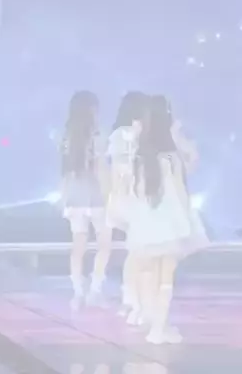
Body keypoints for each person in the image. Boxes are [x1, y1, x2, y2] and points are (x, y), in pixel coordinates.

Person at [126, 95, 208, 344]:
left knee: (151, 274)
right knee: (165, 278)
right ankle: (159, 329)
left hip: (147, 222)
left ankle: (156, 324)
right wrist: (187, 221)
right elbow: (182, 191)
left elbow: (136, 191)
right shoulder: (171, 157)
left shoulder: (140, 156)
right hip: (171, 222)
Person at [60, 91, 112, 310]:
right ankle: (95, 291)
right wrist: (110, 195)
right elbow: (101, 169)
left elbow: (64, 172)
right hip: (96, 196)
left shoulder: (66, 137)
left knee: (78, 245)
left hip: (74, 197)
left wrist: (64, 198)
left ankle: (77, 293)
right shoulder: (97, 136)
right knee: (104, 244)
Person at [106, 91, 149, 319]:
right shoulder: (122, 135)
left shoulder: (138, 133)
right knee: (137, 251)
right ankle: (132, 300)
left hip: (136, 197)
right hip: (130, 198)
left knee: (138, 251)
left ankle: (133, 300)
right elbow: (118, 170)